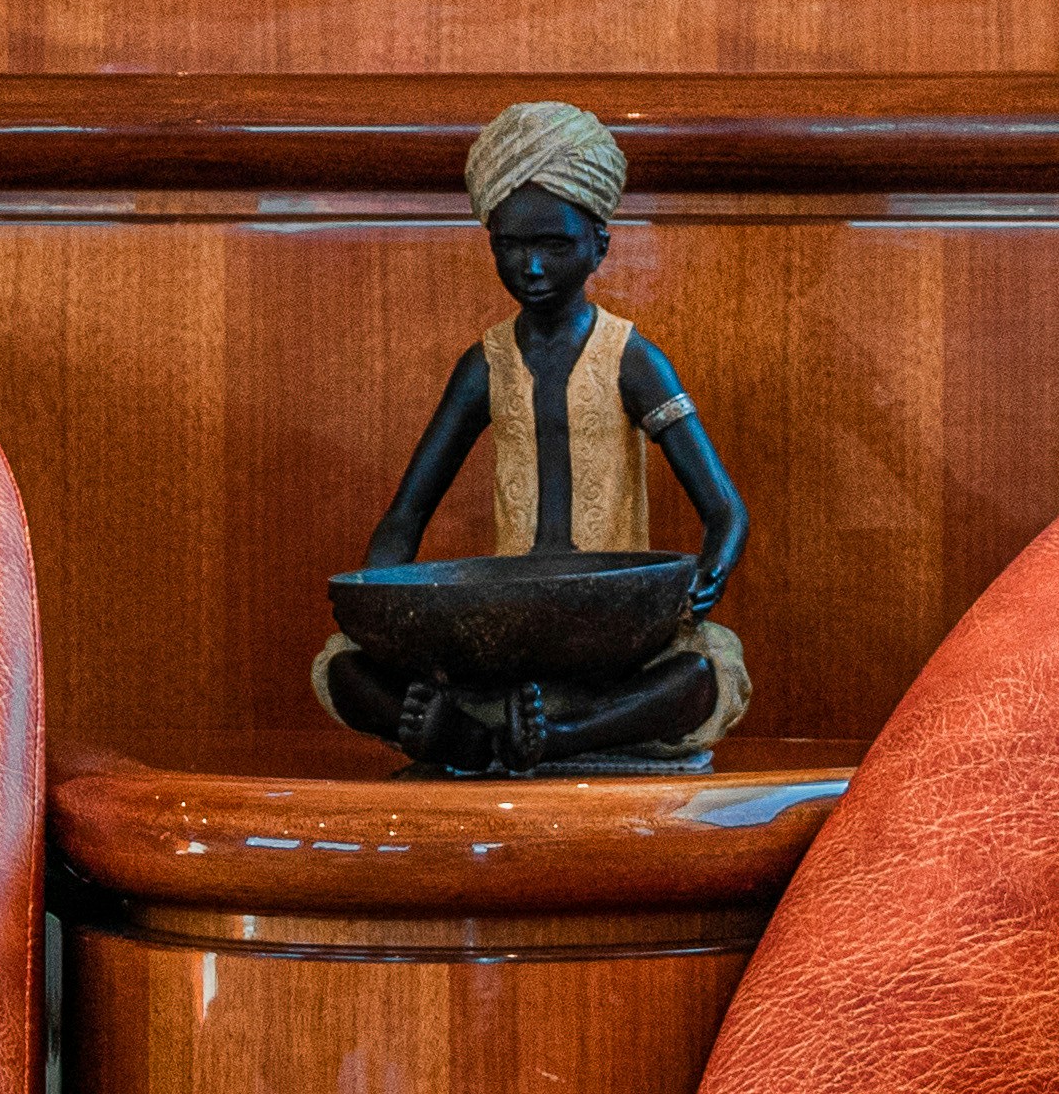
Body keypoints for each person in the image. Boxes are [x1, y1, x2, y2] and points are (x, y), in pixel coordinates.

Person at [316, 101, 753, 772]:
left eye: (555, 245)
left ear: (600, 244)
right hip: (500, 633)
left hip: (615, 633)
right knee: (345, 668)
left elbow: (724, 509)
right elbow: (408, 511)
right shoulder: (483, 367)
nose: (533, 268)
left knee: (702, 675)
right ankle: (488, 735)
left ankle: (560, 736)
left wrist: (707, 575)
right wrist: (378, 604)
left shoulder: (631, 359)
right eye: (511, 246)